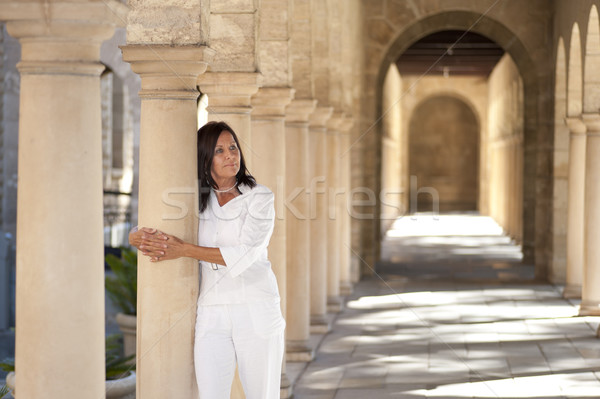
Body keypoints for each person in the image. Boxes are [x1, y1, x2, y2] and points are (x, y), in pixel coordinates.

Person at [128, 121, 285, 399]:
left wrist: (185, 249)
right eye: (220, 150)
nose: (230, 155)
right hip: (211, 312)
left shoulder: (259, 198)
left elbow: (246, 252)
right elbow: (156, 227)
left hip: (256, 308)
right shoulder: (195, 200)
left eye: (233, 147)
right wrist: (136, 237)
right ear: (204, 158)